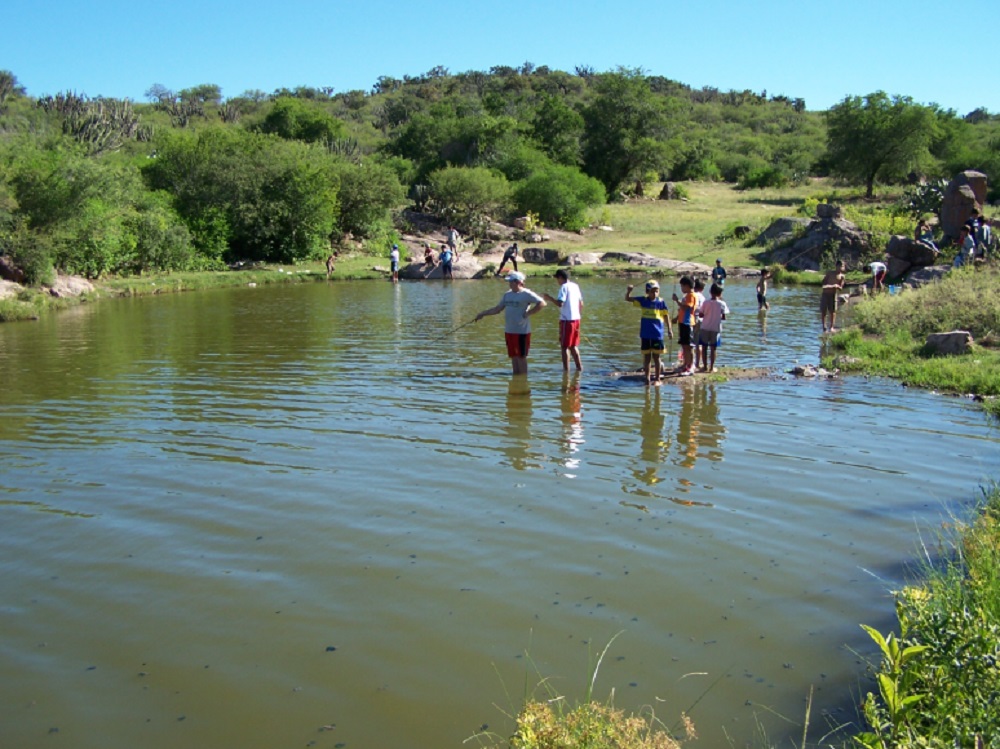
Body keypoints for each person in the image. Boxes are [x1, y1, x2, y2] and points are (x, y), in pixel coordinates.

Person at [475, 271, 546, 375]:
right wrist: (482, 314)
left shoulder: (526, 294)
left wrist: (529, 313)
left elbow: (542, 303)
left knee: (521, 356)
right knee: (513, 356)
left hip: (522, 332)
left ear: (518, 282)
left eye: (511, 282)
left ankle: (523, 380)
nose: (509, 284)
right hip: (509, 331)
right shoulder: (507, 295)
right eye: (509, 282)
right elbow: (497, 309)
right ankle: (516, 378)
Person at [626, 279, 672, 384]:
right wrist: (629, 291)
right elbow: (628, 299)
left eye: (657, 291)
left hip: (657, 334)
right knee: (647, 357)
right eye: (652, 291)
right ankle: (647, 379)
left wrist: (669, 329)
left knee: (657, 357)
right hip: (645, 334)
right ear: (647, 291)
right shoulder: (643, 300)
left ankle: (657, 379)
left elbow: (666, 316)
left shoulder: (661, 302)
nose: (655, 293)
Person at [542, 269, 584, 372]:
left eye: (557, 278)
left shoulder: (564, 287)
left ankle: (566, 371)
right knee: (573, 345)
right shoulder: (575, 286)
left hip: (567, 321)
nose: (557, 281)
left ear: (561, 278)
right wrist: (576, 314)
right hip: (576, 319)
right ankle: (579, 368)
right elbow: (581, 303)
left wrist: (549, 298)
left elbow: (560, 303)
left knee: (564, 346)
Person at [698, 283, 730, 373]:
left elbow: (701, 314)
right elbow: (724, 317)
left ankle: (704, 367)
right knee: (713, 348)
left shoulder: (705, 302)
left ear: (710, 292)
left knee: (704, 347)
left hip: (705, 327)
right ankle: (711, 368)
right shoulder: (722, 304)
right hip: (716, 328)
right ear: (720, 294)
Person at [671, 276, 698, 376]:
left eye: (682, 286)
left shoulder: (691, 295)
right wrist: (677, 318)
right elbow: (682, 309)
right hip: (682, 322)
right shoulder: (686, 296)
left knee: (689, 346)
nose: (681, 288)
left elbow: (687, 307)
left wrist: (677, 301)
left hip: (687, 323)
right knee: (684, 345)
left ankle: (690, 366)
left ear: (687, 286)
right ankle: (685, 364)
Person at [820, 259, 845, 333]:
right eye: (840, 266)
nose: (842, 268)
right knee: (823, 310)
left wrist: (837, 286)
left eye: (843, 266)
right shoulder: (830, 273)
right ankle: (824, 326)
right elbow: (823, 283)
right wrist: (831, 286)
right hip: (825, 294)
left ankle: (831, 327)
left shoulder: (842, 276)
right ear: (836, 266)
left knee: (833, 311)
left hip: (833, 295)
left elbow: (841, 288)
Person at [692, 279, 706, 370]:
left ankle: (690, 363)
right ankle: (697, 363)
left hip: (693, 319)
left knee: (691, 343)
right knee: (699, 344)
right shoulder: (703, 297)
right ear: (702, 289)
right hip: (702, 319)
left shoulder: (692, 295)